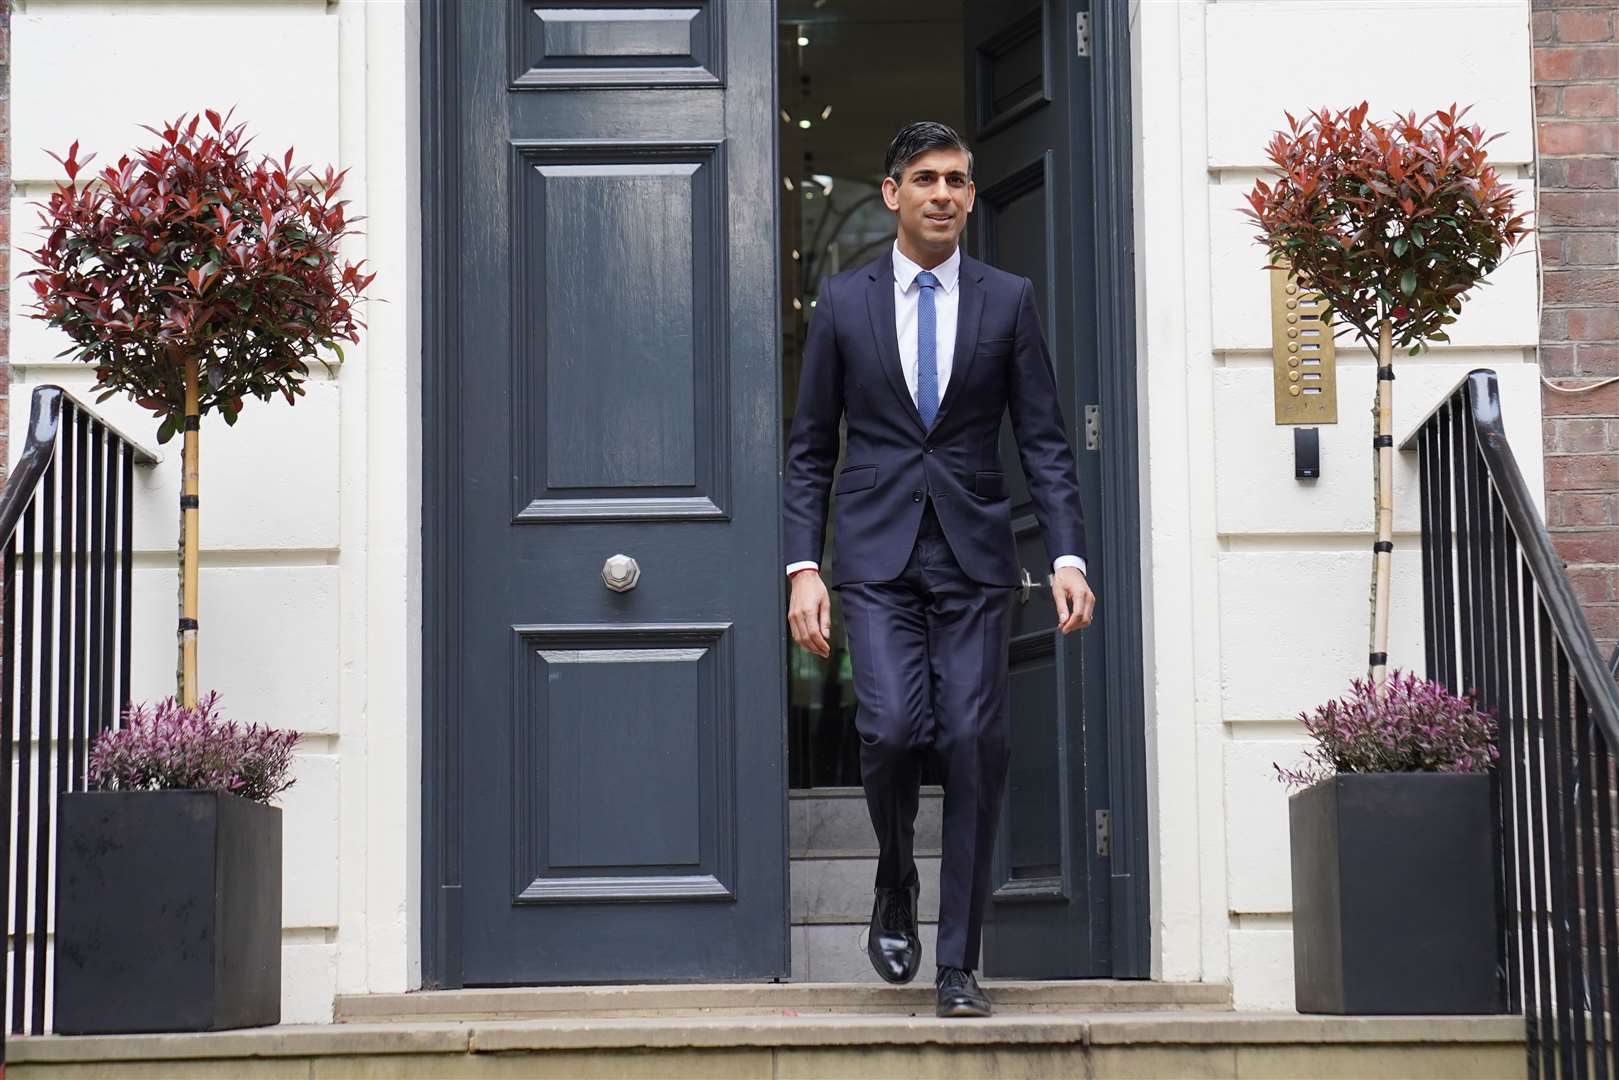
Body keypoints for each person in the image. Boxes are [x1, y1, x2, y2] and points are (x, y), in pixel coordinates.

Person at [782, 121, 1095, 1018]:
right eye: (924, 178)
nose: (943, 194)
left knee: (971, 742)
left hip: (974, 560)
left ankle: (956, 964)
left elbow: (1042, 439)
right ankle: (892, 876)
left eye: (956, 180)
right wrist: (804, 566)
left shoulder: (1007, 300)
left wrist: (1066, 553)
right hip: (875, 556)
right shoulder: (843, 305)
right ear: (891, 194)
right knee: (886, 731)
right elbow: (810, 450)